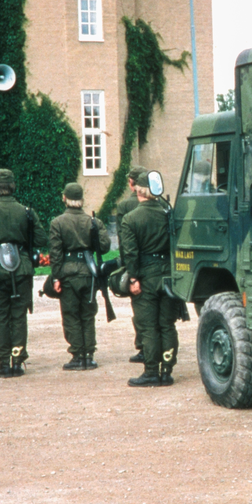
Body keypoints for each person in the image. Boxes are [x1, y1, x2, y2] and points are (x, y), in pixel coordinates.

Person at [0, 168, 47, 377]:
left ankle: (3, 362)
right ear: (13, 187)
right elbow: (41, 239)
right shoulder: (26, 211)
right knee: (19, 314)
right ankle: (17, 359)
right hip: (21, 266)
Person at [119, 173, 182, 387]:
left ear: (138, 191)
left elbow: (130, 253)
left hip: (145, 275)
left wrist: (133, 277)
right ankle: (167, 371)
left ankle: (151, 371)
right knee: (167, 324)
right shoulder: (169, 214)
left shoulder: (131, 218)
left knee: (148, 326)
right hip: (169, 275)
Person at [48, 183, 111, 370]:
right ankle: (89, 355)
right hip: (89, 272)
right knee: (88, 314)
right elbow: (105, 246)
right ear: (81, 200)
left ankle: (77, 355)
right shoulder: (93, 222)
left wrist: (56, 277)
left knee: (71, 314)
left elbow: (55, 254)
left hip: (67, 273)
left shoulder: (57, 223)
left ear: (64, 198)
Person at [116, 165, 149, 364]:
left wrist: (129, 270)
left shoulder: (124, 207)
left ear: (131, 183)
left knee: (139, 308)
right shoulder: (160, 203)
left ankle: (144, 347)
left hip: (136, 264)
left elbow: (123, 242)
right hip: (158, 264)